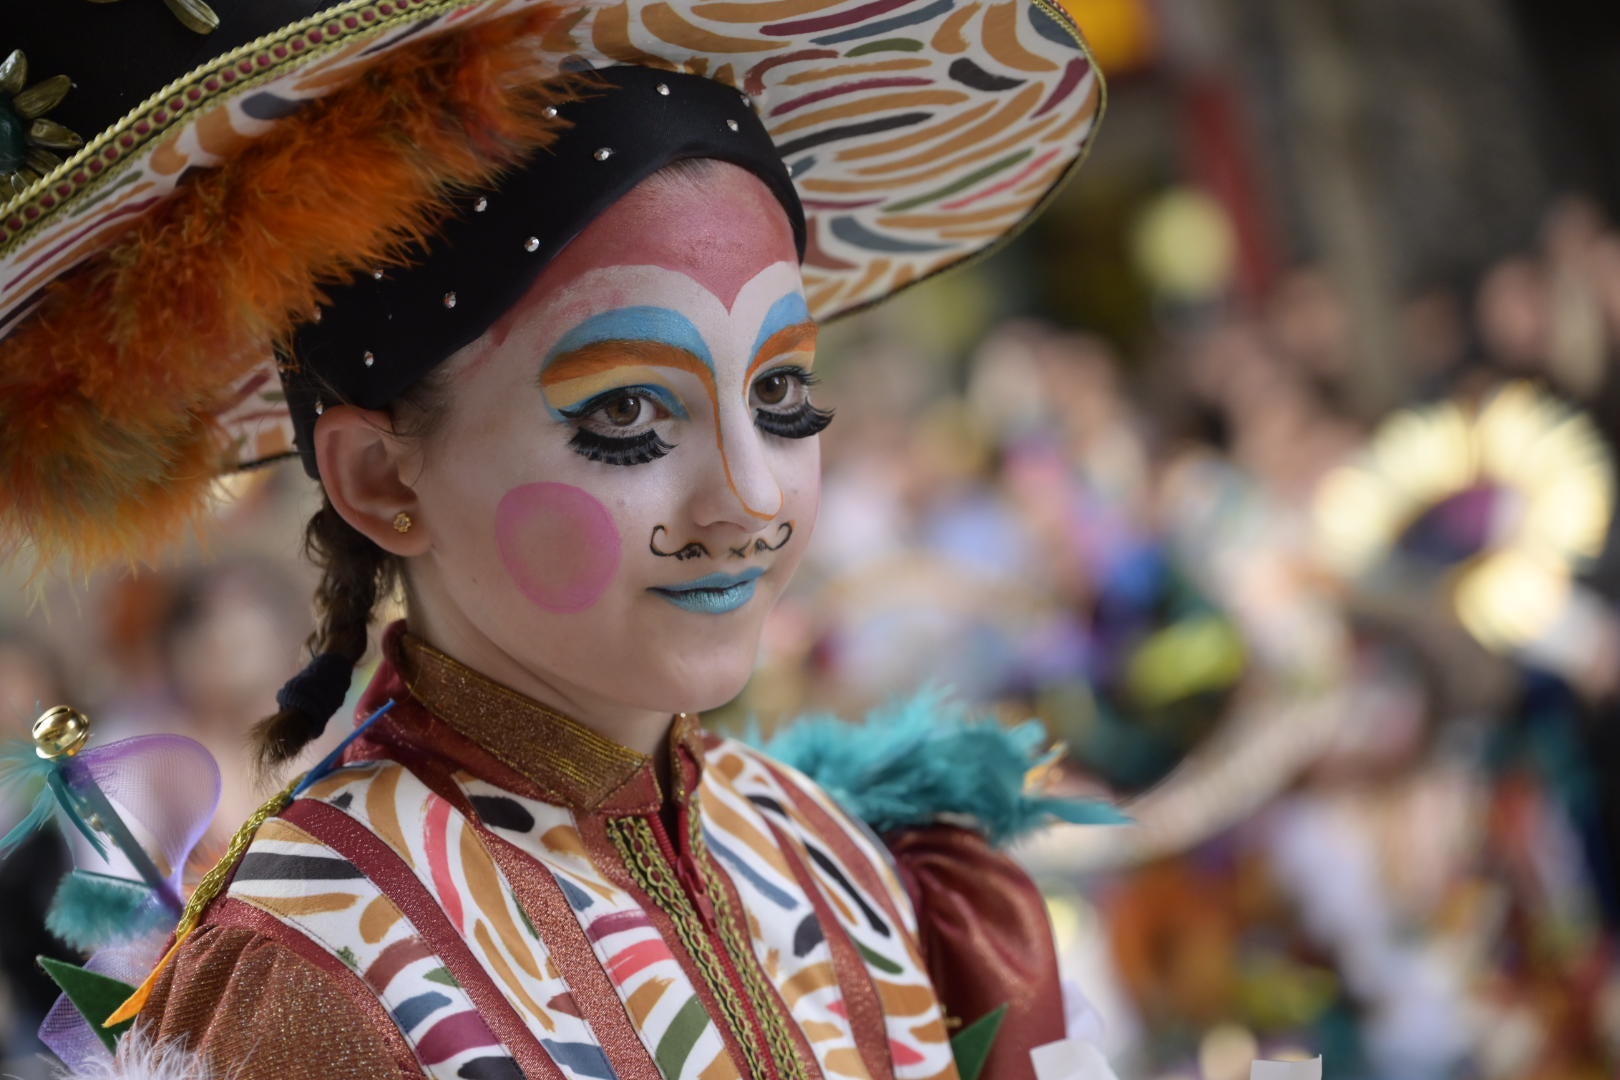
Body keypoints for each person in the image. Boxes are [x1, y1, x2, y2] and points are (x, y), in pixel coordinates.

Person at [0, 2, 1113, 1077]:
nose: (750, 495)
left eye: (781, 393)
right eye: (626, 412)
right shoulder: (317, 963)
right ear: (383, 479)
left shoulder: (838, 855)